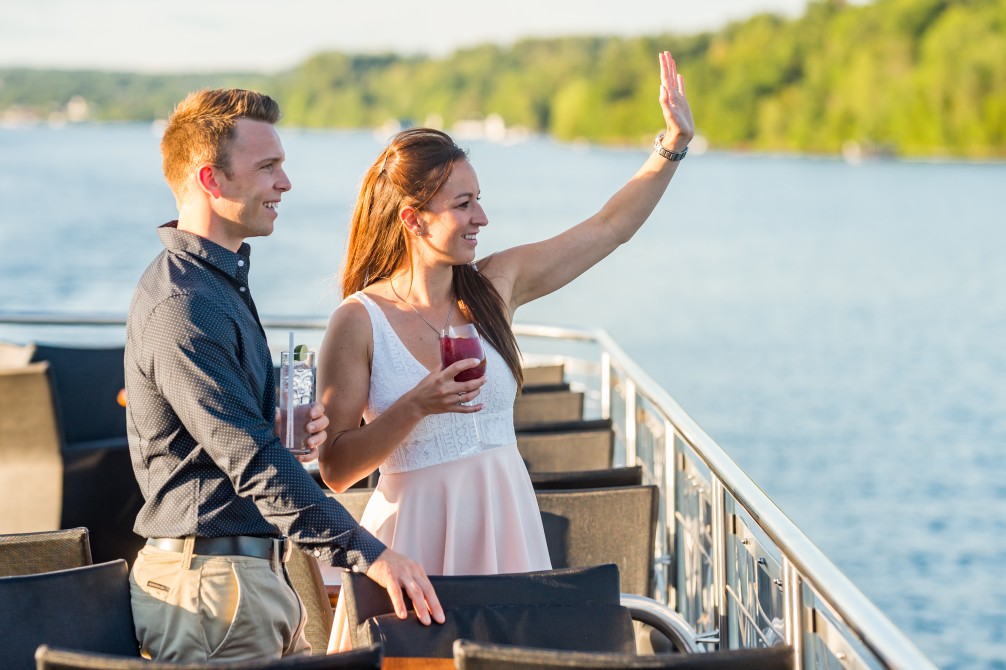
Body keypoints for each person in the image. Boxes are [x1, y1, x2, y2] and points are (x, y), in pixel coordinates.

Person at [318, 51, 693, 651]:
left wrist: (671, 145)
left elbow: (608, 228)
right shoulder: (358, 321)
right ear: (413, 219)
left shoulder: (496, 285)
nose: (481, 218)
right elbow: (336, 471)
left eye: (478, 199)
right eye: (463, 204)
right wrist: (416, 405)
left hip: (508, 528)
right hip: (413, 551)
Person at [124, 88, 443, 664]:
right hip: (213, 593)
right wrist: (369, 553)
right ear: (211, 180)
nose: (285, 183)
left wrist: (273, 422)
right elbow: (252, 463)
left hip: (242, 581)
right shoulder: (184, 303)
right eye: (268, 166)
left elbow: (235, 445)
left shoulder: (214, 285)